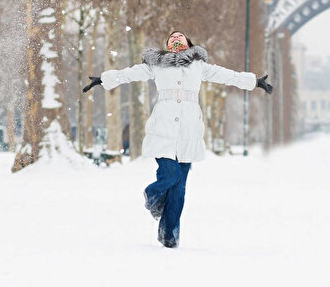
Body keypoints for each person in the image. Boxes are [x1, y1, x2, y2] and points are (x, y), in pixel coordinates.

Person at [82, 30, 273, 248]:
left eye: (180, 36)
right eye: (171, 37)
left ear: (188, 43)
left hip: (189, 131)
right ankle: (152, 194)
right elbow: (128, 74)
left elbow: (228, 75)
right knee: (169, 175)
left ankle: (169, 235)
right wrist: (103, 80)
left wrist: (254, 82)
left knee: (179, 189)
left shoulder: (199, 66)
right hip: (163, 128)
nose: (175, 38)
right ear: (167, 45)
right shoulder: (157, 65)